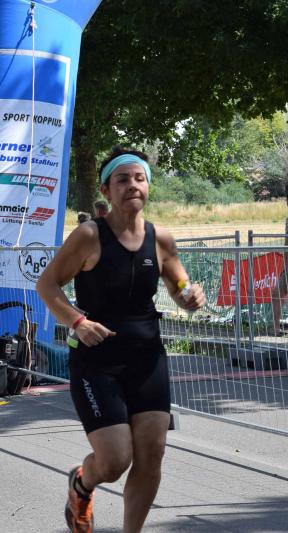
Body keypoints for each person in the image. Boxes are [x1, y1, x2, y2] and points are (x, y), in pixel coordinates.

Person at [36, 147, 206, 533]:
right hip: (97, 363)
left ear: (148, 186)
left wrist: (191, 296)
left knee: (151, 454)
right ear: (106, 190)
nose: (132, 185)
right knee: (114, 461)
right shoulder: (89, 236)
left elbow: (180, 285)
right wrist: (77, 321)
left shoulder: (160, 239)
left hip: (147, 359)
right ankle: (82, 483)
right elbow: (47, 284)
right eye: (122, 179)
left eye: (139, 178)